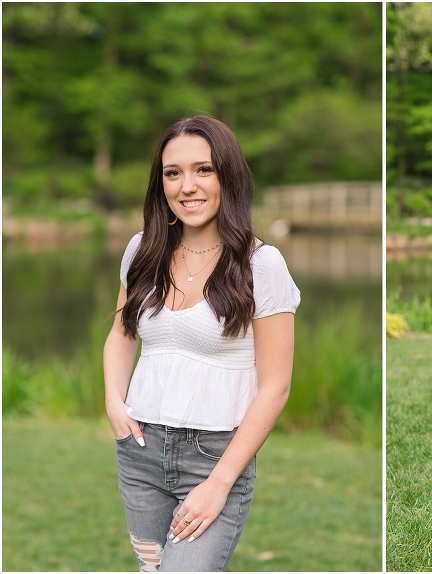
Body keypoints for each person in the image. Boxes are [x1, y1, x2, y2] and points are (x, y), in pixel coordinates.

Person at [103, 114, 300, 571]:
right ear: (161, 184)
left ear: (227, 176)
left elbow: (276, 387)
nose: (187, 186)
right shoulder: (141, 251)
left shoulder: (261, 265)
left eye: (203, 169)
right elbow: (120, 333)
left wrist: (220, 481)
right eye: (173, 173)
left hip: (214, 457)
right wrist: (114, 400)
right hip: (139, 451)